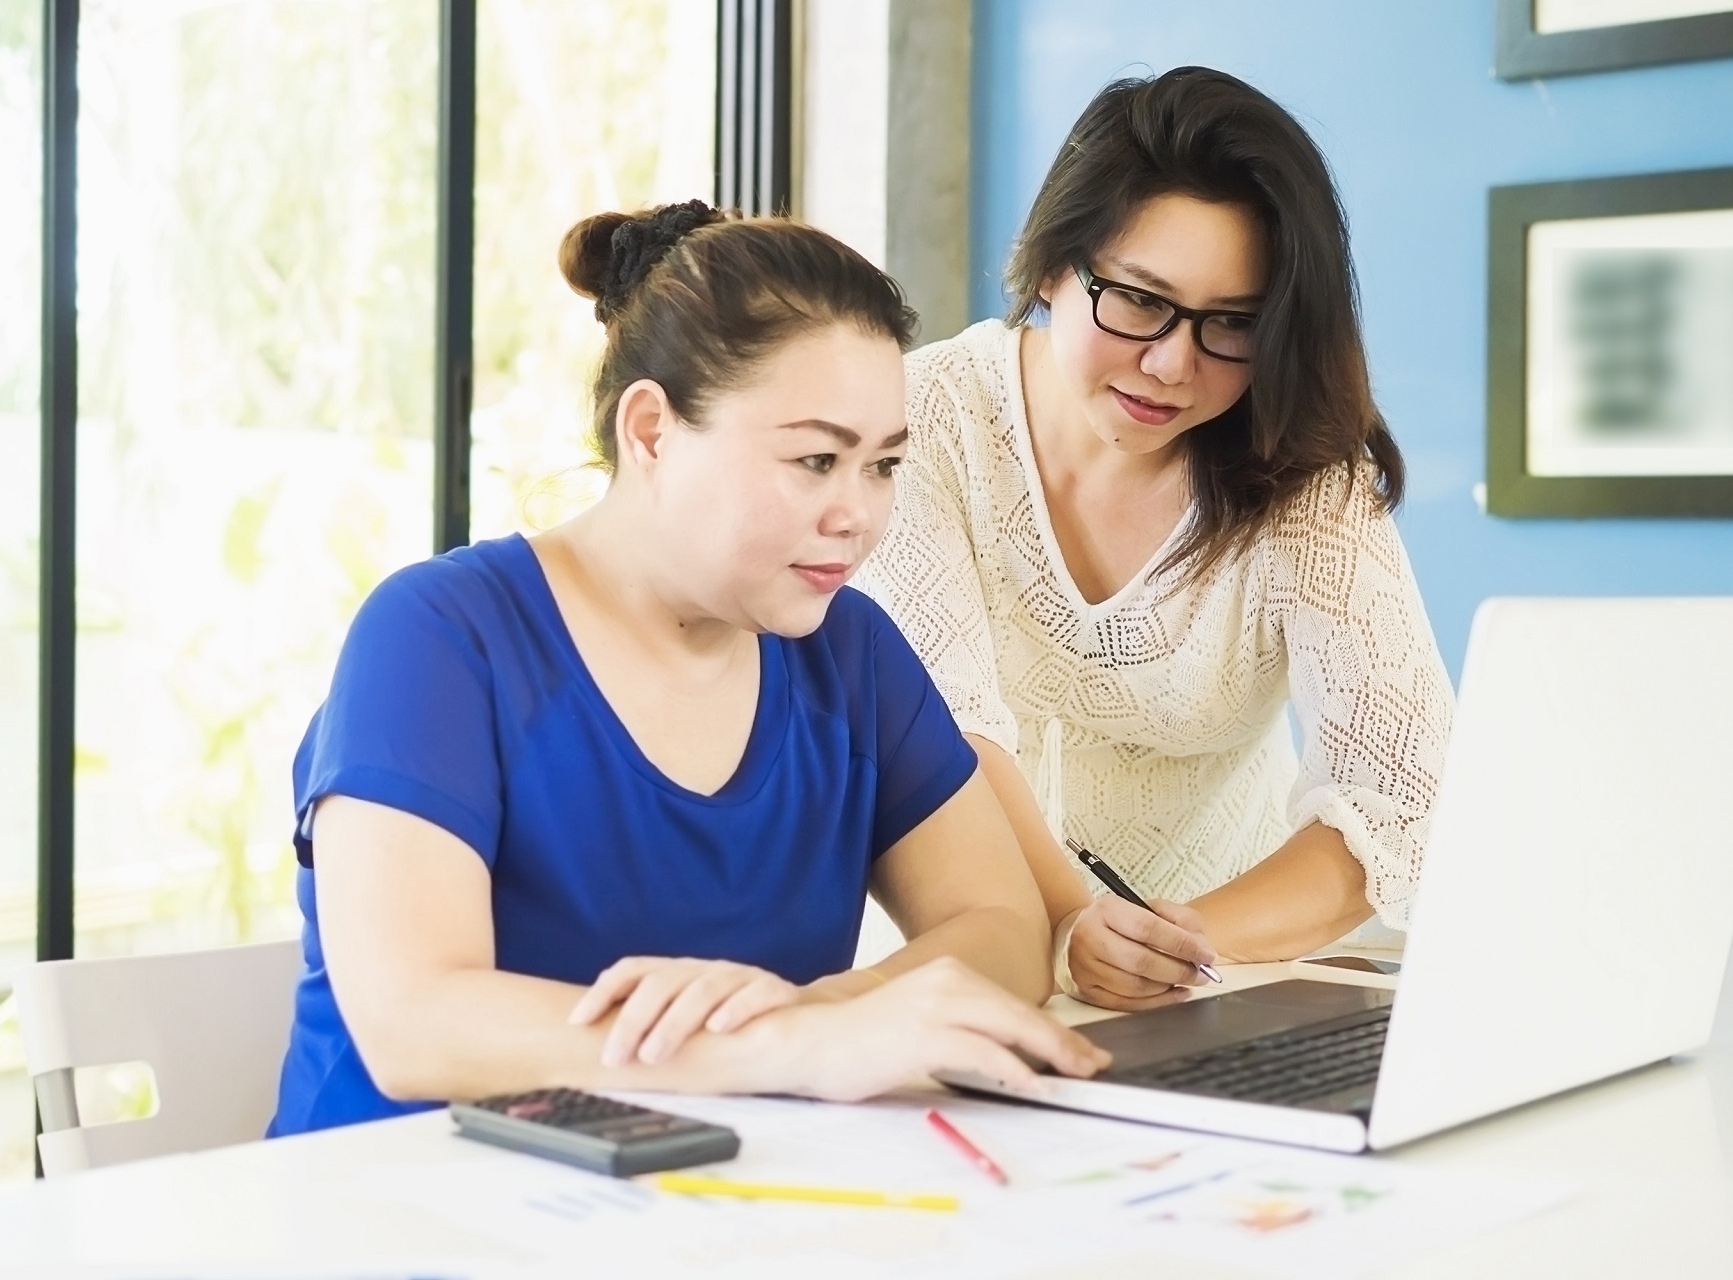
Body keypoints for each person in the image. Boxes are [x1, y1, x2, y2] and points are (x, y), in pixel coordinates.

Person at [267, 201, 1108, 1136]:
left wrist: (825, 1015)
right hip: (396, 1211)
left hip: (687, 1208)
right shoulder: (439, 636)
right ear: (653, 432)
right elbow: (413, 1022)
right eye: (816, 459)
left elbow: (1002, 925)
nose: (858, 514)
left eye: (882, 466)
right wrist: (784, 1052)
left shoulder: (850, 653)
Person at [856, 67, 1455, 1012]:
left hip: (1222, 987)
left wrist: (1169, 945)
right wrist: (1070, 929)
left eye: (1234, 325)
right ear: (1052, 265)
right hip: (956, 977)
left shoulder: (1300, 470)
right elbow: (957, 734)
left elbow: (1398, 801)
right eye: (1139, 300)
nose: (1173, 363)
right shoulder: (916, 421)